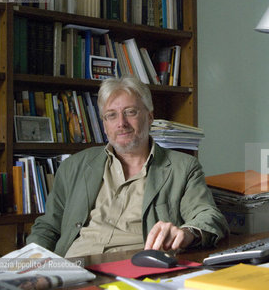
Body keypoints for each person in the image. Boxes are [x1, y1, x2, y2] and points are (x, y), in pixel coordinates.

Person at [26, 77, 229, 257]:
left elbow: (208, 216)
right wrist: (29, 263)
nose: (121, 123)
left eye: (130, 112)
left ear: (150, 117)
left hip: (135, 267)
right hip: (74, 267)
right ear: (104, 124)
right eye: (111, 115)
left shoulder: (182, 167)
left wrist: (186, 233)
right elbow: (48, 226)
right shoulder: (74, 166)